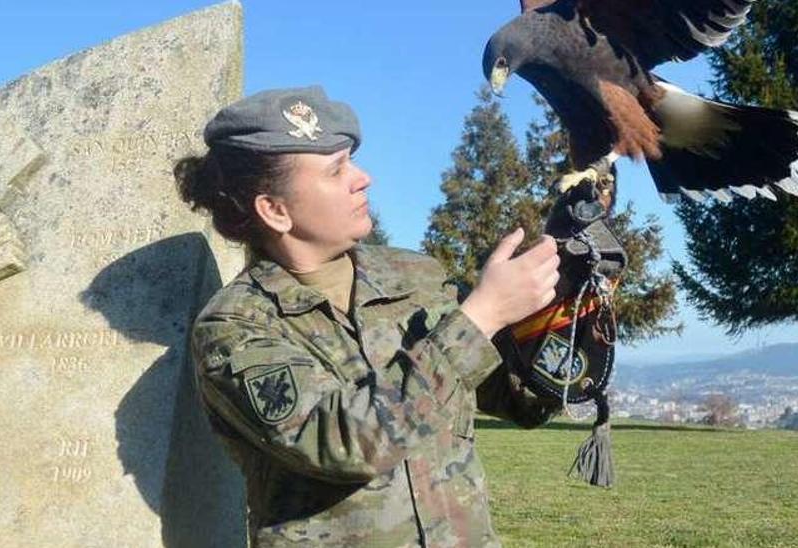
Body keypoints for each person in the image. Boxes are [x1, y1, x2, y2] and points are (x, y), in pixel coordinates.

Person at [176, 85, 563, 547]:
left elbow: (515, 398)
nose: (363, 179)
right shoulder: (234, 327)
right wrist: (481, 315)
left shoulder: (415, 275)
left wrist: (565, 313)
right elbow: (345, 442)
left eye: (352, 161)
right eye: (336, 169)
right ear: (275, 210)